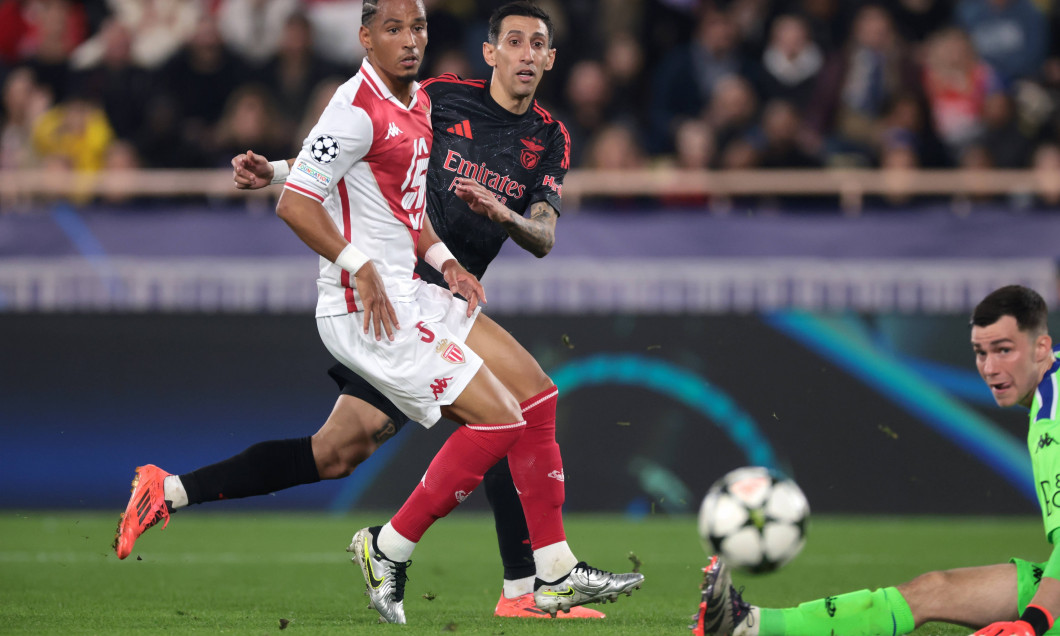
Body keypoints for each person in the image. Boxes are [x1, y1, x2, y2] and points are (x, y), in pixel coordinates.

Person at [112, 0, 642, 625]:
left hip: (431, 290)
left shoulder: (533, 133)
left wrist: (479, 237)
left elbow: (527, 231)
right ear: (490, 52)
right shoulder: (436, 98)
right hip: (386, 299)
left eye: (538, 45)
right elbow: (342, 158)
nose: (527, 54)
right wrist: (290, 183)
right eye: (515, 41)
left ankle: (535, 582)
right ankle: (452, 564)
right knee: (459, 428)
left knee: (512, 406)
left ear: (551, 58)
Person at [692, 284, 1060, 636]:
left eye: (1004, 350)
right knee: (932, 589)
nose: (991, 367)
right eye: (982, 352)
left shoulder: (1051, 423)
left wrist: (1031, 624)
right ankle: (746, 624)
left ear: (1041, 347)